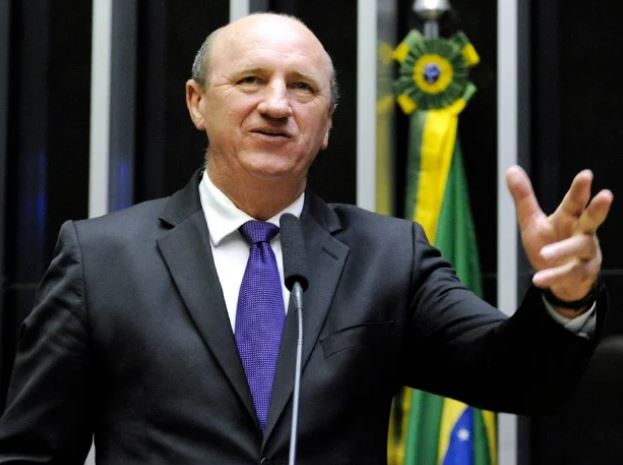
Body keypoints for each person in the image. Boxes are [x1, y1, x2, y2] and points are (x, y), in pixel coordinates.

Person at [0, 12, 613, 465]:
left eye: (302, 87)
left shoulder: (387, 256)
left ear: (327, 126)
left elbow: (516, 378)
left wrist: (565, 298)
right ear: (196, 103)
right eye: (250, 80)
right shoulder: (101, 259)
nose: (276, 104)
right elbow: (31, 451)